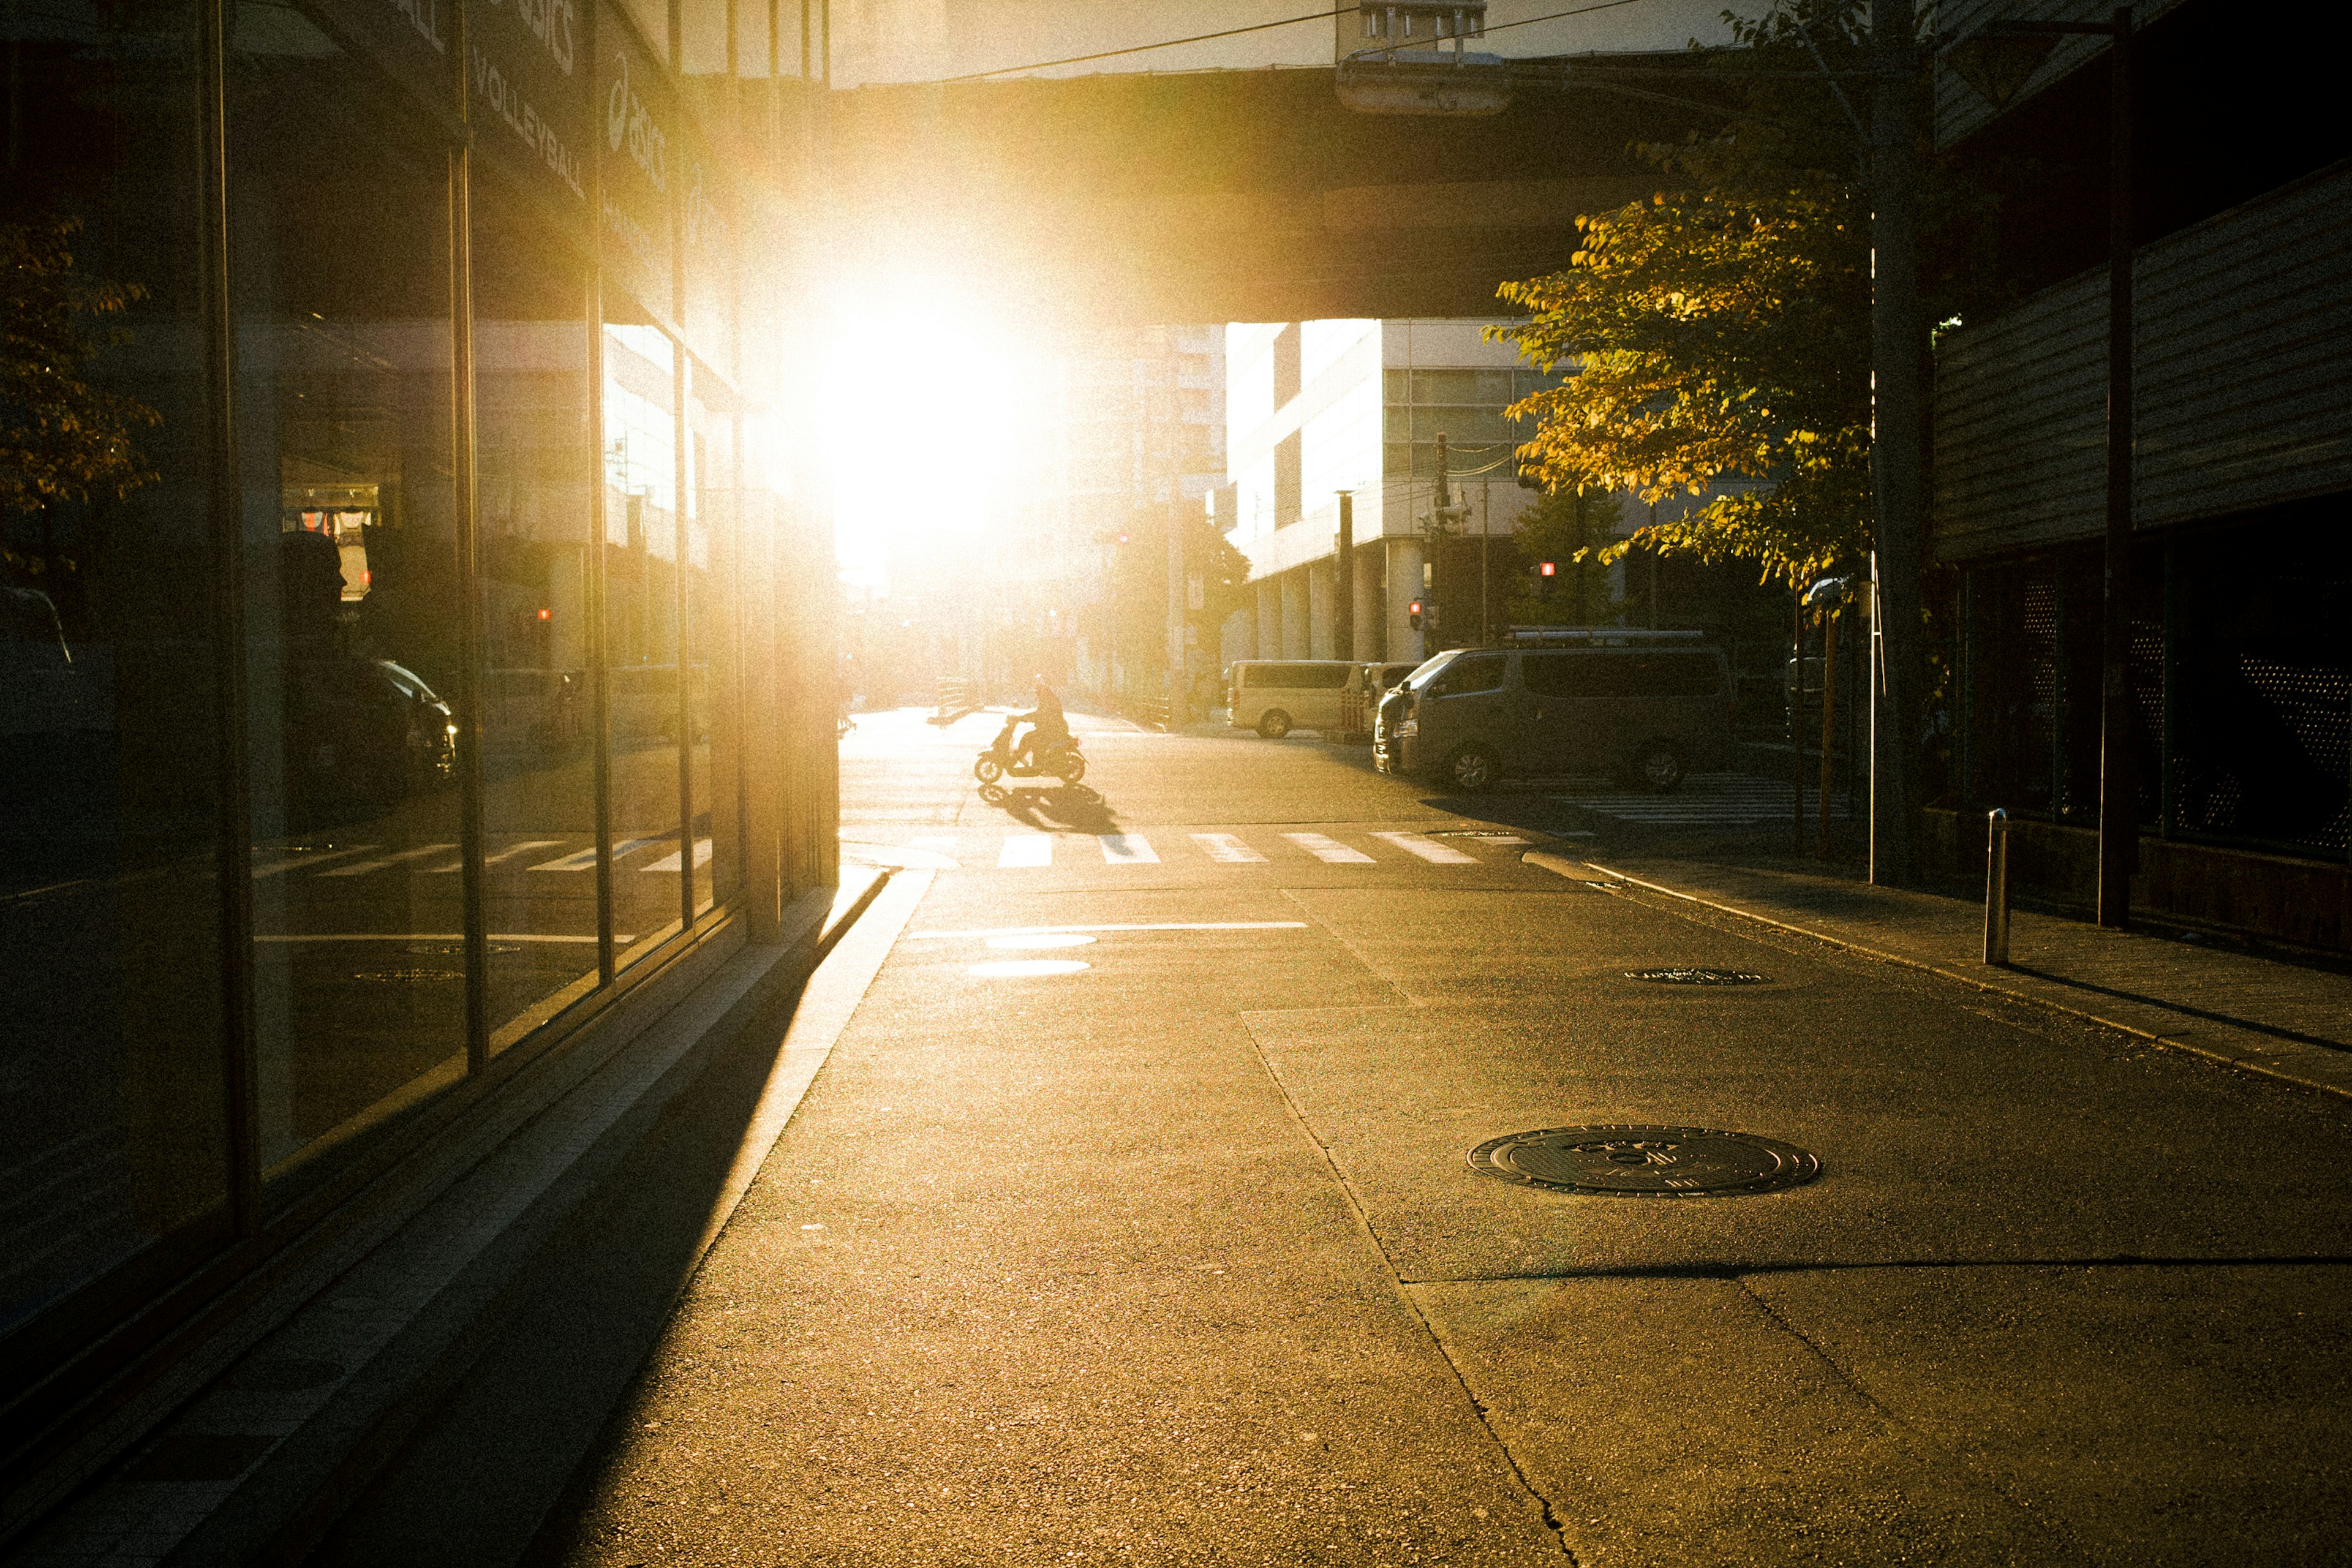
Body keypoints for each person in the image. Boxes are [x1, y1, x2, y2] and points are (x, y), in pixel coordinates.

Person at [1009, 675, 1069, 770]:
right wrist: (1021, 718)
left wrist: (1020, 718)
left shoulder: (1048, 699)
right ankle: (1036, 763)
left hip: (1055, 730)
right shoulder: (1047, 698)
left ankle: (1027, 763)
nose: (1036, 694)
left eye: (1037, 692)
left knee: (1029, 738)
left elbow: (1038, 715)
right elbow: (1040, 715)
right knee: (1032, 738)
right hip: (1053, 728)